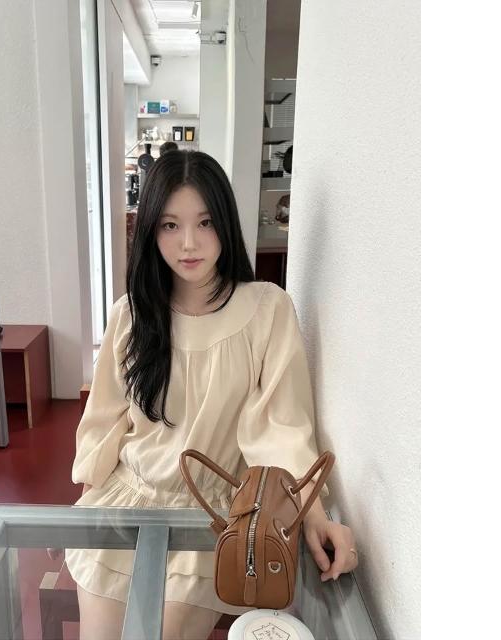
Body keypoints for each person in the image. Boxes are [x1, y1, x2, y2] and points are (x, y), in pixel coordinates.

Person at [65, 150, 358, 640]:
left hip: (211, 517)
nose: (189, 243)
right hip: (124, 501)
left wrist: (312, 514)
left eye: (204, 222)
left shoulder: (266, 309)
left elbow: (283, 429)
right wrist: (80, 506)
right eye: (170, 225)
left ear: (225, 222)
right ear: (151, 231)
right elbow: (104, 421)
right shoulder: (131, 314)